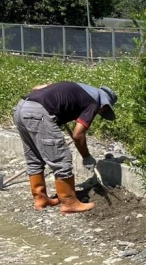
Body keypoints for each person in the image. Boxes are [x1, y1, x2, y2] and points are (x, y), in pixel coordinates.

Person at [12, 82, 118, 214]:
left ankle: (40, 199)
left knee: (34, 157)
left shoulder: (78, 89)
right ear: (105, 105)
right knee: (61, 158)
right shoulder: (94, 102)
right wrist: (86, 157)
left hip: (21, 108)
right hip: (38, 114)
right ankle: (69, 202)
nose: (100, 113)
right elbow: (78, 134)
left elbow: (36, 88)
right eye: (103, 111)